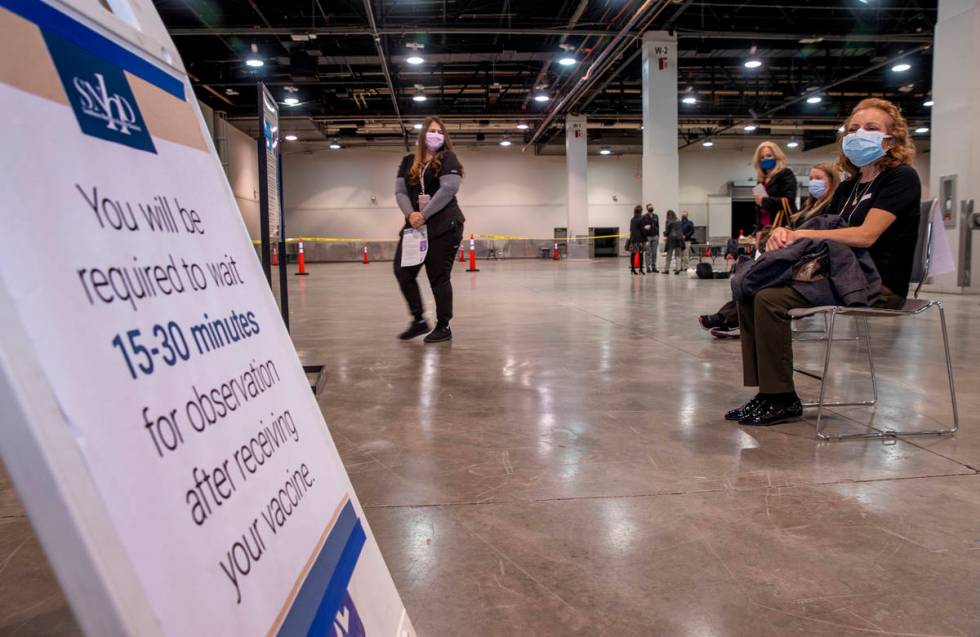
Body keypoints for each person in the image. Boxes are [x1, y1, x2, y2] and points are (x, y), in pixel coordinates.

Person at [727, 98, 920, 426]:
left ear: (893, 140)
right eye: (854, 128)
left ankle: (781, 397)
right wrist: (788, 234)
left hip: (877, 284)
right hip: (841, 275)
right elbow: (825, 229)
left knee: (771, 300)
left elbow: (865, 236)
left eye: (871, 129)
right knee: (752, 288)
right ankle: (768, 392)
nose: (860, 134)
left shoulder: (900, 178)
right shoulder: (848, 187)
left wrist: (804, 236)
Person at [699, 162, 840, 339]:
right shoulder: (806, 209)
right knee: (752, 273)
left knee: (758, 281)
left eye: (818, 178)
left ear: (832, 181)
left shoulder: (833, 208)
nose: (813, 182)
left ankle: (732, 319)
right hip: (798, 257)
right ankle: (732, 318)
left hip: (812, 266)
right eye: (811, 178)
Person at [393, 116, 465, 343]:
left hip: (444, 225)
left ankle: (444, 326)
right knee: (403, 272)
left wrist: (423, 214)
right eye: (432, 130)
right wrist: (410, 214)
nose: (436, 134)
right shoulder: (407, 161)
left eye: (440, 131)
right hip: (415, 226)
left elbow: (448, 189)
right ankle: (419, 320)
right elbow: (401, 192)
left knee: (438, 277)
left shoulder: (448, 158)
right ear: (423, 134)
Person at [753, 141, 797, 228]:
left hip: (781, 225)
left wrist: (764, 200)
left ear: (777, 157)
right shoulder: (760, 180)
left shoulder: (785, 173)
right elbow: (760, 209)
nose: (765, 159)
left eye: (769, 156)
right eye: (762, 157)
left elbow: (789, 199)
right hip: (765, 227)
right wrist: (758, 229)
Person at [663, 210, 684, 275]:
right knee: (678, 255)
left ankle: (666, 270)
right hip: (679, 239)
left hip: (671, 239)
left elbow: (667, 231)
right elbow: (681, 230)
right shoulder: (679, 221)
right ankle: (678, 269)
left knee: (669, 255)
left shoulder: (668, 221)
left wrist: (664, 234)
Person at [628, 205, 647, 275]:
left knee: (633, 254)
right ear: (641, 211)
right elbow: (643, 230)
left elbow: (630, 229)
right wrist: (646, 238)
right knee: (641, 254)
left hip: (633, 239)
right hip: (640, 239)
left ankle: (632, 269)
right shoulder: (641, 219)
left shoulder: (632, 219)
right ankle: (641, 269)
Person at [643, 203, 660, 273]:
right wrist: (644, 228)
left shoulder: (656, 216)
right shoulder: (644, 217)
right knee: (648, 253)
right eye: (649, 207)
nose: (651, 208)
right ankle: (648, 267)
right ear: (647, 209)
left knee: (654, 253)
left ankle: (654, 267)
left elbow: (657, 226)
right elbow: (641, 227)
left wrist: (658, 235)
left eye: (652, 207)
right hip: (648, 237)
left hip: (655, 236)